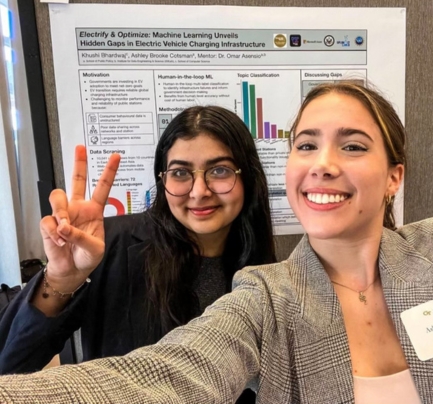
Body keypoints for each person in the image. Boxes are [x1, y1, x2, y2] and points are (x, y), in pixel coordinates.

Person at [0, 80, 433, 404]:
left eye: (351, 146)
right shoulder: (263, 295)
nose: (322, 164)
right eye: (305, 144)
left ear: (395, 175)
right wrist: (62, 280)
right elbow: (160, 378)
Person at [0, 106, 275, 403]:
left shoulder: (263, 265)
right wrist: (62, 279)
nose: (199, 191)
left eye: (219, 170)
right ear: (162, 180)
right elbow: (10, 366)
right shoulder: (109, 244)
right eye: (180, 173)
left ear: (247, 176)